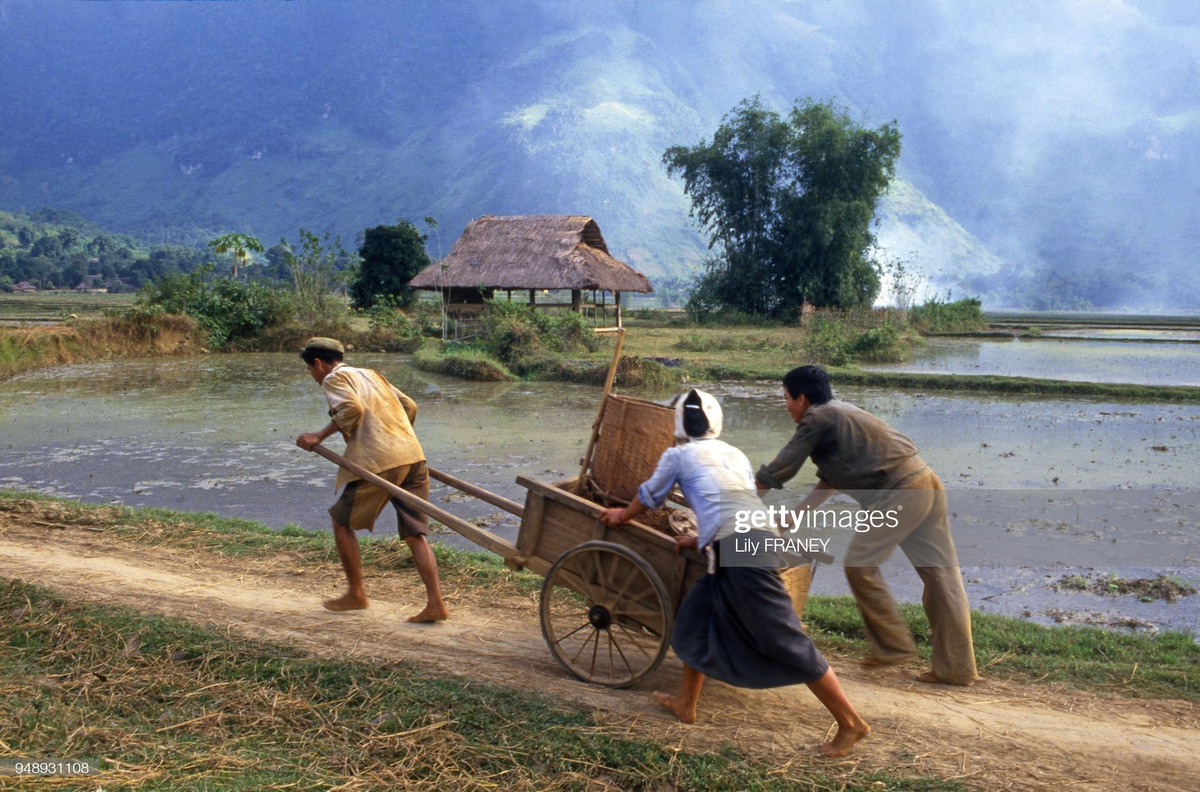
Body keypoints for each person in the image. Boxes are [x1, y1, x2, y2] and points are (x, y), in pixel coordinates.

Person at [600, 389, 869, 757]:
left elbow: (649, 496)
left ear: (678, 423)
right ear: (717, 421)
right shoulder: (733, 453)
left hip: (744, 549)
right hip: (741, 542)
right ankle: (685, 704)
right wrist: (703, 538)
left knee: (784, 638)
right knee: (695, 617)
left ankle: (851, 723)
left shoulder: (677, 455)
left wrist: (619, 515)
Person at [755, 365, 978, 685]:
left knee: (860, 563)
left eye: (787, 398)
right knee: (942, 578)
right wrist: (791, 519)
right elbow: (828, 482)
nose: (786, 405)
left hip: (899, 493)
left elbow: (778, 470)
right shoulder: (839, 413)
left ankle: (892, 645)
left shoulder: (815, 419)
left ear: (802, 399)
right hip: (925, 482)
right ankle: (957, 668)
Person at [295, 337, 448, 622]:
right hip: (414, 458)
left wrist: (317, 436)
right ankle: (435, 603)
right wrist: (397, 438)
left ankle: (356, 593)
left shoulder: (333, 379)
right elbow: (410, 405)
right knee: (415, 533)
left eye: (310, 370)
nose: (313, 376)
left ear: (317, 363)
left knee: (341, 522)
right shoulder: (371, 374)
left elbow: (352, 409)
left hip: (378, 463)